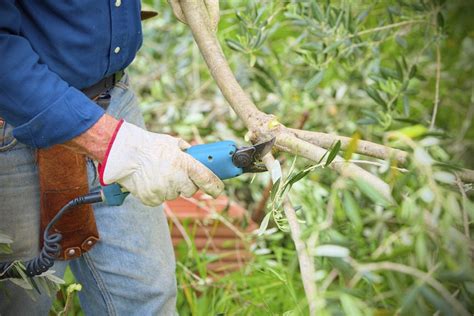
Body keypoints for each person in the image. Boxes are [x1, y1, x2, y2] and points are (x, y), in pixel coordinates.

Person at [0, 1, 223, 315]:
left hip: (112, 95)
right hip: (12, 120)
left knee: (147, 300)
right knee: (17, 303)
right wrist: (116, 145)